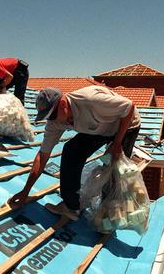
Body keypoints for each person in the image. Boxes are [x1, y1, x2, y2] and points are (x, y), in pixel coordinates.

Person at [8, 85, 141, 220]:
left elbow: (128, 107)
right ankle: (71, 206)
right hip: (99, 128)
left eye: (52, 115)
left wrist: (117, 143)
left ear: (63, 104)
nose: (52, 120)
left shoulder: (90, 100)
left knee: (115, 169)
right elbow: (42, 156)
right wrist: (26, 191)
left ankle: (108, 216)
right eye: (48, 117)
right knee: (71, 152)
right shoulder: (54, 122)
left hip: (126, 123)